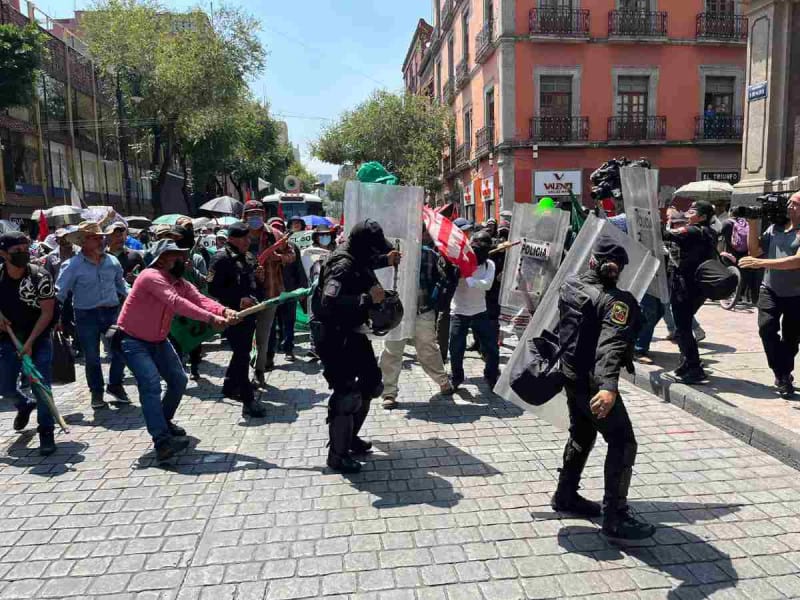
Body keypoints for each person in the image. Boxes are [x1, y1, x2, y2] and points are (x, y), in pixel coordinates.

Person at [552, 233, 654, 540]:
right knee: (623, 442)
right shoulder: (616, 301)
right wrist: (609, 387)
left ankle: (566, 495)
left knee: (582, 433)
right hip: (594, 383)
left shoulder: (570, 283)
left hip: (570, 374)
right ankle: (616, 517)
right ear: (614, 268)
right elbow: (610, 345)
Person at [116, 239, 235, 462]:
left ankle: (163, 421)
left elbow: (199, 299)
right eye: (178, 256)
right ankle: (161, 441)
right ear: (163, 259)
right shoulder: (150, 276)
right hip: (133, 341)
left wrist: (224, 310)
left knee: (178, 380)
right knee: (150, 384)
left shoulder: (180, 281)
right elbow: (176, 303)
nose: (185, 260)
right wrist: (211, 318)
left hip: (158, 340)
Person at [311, 219, 401, 473]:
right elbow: (329, 302)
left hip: (351, 331)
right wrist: (366, 298)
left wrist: (387, 260)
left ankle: (350, 438)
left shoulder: (356, 256)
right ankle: (337, 456)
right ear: (362, 245)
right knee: (346, 393)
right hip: (332, 335)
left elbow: (365, 265)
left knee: (372, 383)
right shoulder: (341, 265)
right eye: (374, 248)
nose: (376, 252)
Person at [56, 221, 130, 409]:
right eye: (95, 238)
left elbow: (122, 287)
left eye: (101, 238)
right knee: (92, 357)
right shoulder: (71, 265)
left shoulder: (112, 261)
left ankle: (115, 385)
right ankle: (96, 393)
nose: (100, 241)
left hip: (112, 313)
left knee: (121, 351)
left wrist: (138, 296)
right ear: (83, 242)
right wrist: (54, 317)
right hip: (85, 316)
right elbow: (59, 293)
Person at [380, 229, 453, 409]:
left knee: (428, 348)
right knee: (392, 350)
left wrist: (434, 298)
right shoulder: (389, 255)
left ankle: (443, 382)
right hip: (396, 311)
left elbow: (442, 279)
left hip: (422, 310)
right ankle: (389, 392)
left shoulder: (429, 255)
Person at [0, 232, 58, 455]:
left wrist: (31, 342)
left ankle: (46, 431)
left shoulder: (40, 276)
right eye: (17, 251)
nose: (23, 254)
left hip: (39, 335)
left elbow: (47, 312)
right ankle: (23, 404)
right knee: (5, 387)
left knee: (41, 385)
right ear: (3, 254)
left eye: (26, 249)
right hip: (9, 337)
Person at [740, 191, 800, 398]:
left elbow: (797, 261)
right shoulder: (775, 228)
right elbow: (754, 251)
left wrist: (761, 263)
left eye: (795, 204)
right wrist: (753, 223)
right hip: (770, 289)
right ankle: (782, 373)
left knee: (791, 339)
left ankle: (784, 373)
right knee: (766, 329)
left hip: (796, 295)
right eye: (790, 203)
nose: (790, 207)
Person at [208, 222, 268, 418]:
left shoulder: (248, 256)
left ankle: (229, 385)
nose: (247, 241)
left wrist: (259, 280)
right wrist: (237, 299)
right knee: (242, 356)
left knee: (242, 352)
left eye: (248, 237)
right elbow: (213, 289)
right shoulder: (221, 258)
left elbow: (253, 284)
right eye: (243, 238)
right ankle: (248, 399)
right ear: (232, 238)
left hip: (250, 313)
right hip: (232, 314)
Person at [663, 201, 717, 383]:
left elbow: (667, 234)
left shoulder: (693, 231)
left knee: (683, 327)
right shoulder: (710, 232)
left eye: (692, 211)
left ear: (702, 217)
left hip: (686, 286)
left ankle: (694, 367)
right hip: (698, 286)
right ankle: (687, 362)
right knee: (681, 327)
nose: (687, 212)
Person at [244, 202, 292, 386]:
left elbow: (291, 255)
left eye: (258, 213)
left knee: (263, 336)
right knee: (245, 337)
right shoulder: (239, 234)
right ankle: (244, 369)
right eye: (250, 213)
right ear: (244, 216)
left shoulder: (275, 234)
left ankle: (259, 371)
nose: (254, 217)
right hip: (244, 294)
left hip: (269, 292)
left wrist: (278, 257)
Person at [448, 230, 500, 389]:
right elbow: (448, 281)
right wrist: (456, 273)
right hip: (458, 312)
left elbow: (487, 284)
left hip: (480, 312)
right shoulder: (459, 263)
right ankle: (457, 377)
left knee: (491, 348)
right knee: (456, 349)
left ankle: (491, 377)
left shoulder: (489, 264)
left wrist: (469, 278)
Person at [268, 218, 308, 362]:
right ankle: (269, 355)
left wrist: (302, 290)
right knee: (270, 325)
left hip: (288, 291)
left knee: (288, 322)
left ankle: (288, 349)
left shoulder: (291, 247)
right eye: (274, 228)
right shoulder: (265, 248)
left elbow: (299, 270)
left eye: (279, 228)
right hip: (270, 292)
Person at [436, 218, 474, 362]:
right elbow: (444, 271)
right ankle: (442, 355)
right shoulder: (446, 248)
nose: (467, 233)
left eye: (468, 231)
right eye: (464, 231)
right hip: (449, 293)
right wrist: (460, 270)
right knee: (444, 322)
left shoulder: (468, 247)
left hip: (467, 297)